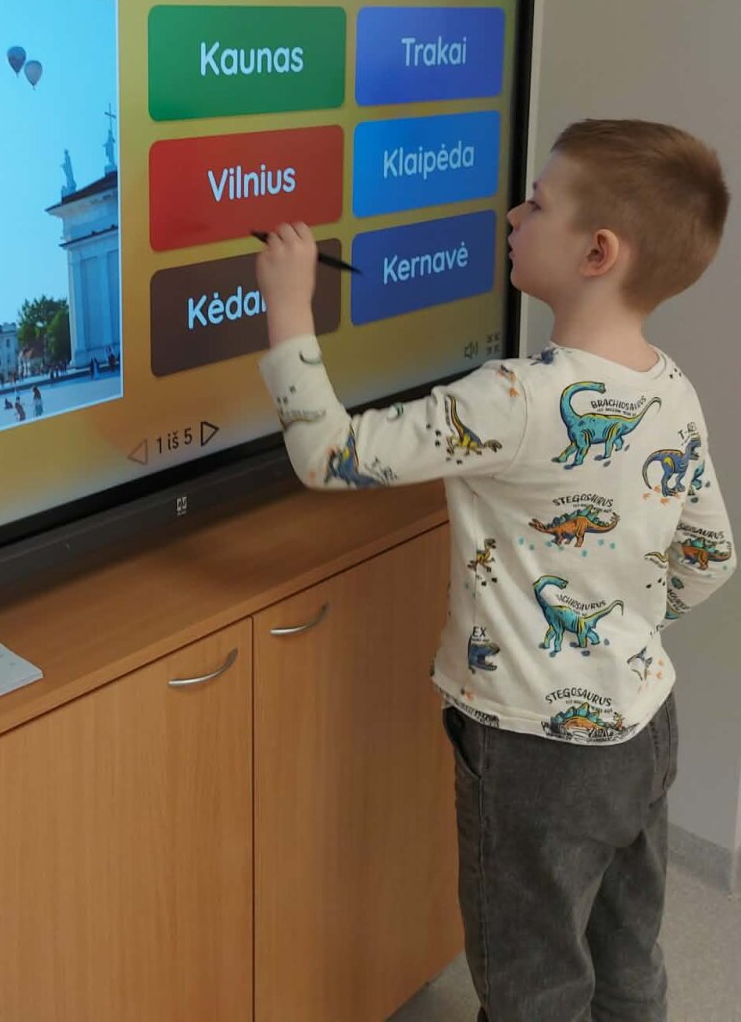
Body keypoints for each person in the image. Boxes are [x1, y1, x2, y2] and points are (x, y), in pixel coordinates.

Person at [254, 120, 735, 1022]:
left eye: (537, 204)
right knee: (628, 960)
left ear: (597, 252)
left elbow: (331, 454)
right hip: (645, 726)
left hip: (533, 750)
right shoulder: (671, 388)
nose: (513, 215)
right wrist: (622, 627)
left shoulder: (513, 400)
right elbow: (712, 556)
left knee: (532, 986)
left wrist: (287, 308)